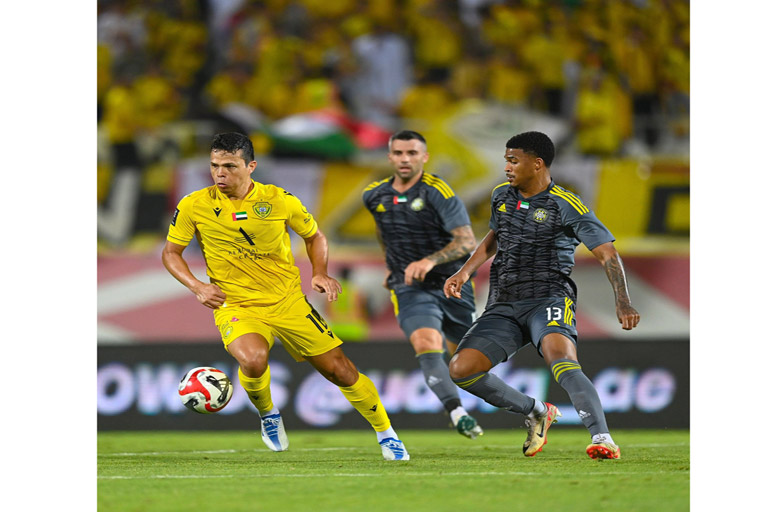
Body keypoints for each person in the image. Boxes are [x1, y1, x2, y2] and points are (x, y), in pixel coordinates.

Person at [162, 132, 409, 461]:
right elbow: (171, 253)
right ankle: (268, 414)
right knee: (252, 359)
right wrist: (198, 286)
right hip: (237, 304)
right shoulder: (194, 204)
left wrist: (319, 272)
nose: (220, 173)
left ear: (251, 166)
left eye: (230, 166)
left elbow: (314, 236)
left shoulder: (279, 200)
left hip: (287, 301)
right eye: (214, 165)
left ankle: (386, 433)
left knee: (341, 371)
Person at [443, 131, 640, 460]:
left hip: (548, 298)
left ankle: (602, 438)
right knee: (461, 369)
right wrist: (465, 271)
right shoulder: (500, 195)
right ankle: (536, 411)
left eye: (513, 161)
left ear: (537, 164)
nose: (506, 167)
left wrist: (622, 300)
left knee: (561, 358)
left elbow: (607, 253)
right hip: (503, 302)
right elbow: (495, 236)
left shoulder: (566, 204)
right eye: (506, 160)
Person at [362, 130, 483, 439]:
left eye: (412, 153)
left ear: (424, 157)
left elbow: (467, 241)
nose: (405, 159)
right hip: (410, 286)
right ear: (390, 157)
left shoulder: (438, 191)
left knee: (465, 364)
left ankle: (531, 409)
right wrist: (392, 264)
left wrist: (429, 261)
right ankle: (457, 413)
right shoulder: (374, 195)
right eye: (399, 153)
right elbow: (384, 231)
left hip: (450, 283)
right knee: (426, 342)